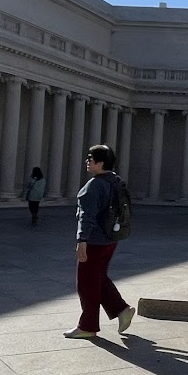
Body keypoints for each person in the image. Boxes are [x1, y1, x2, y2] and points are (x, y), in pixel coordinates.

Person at [66, 144, 134, 340]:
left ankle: (87, 326)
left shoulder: (95, 184)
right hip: (110, 239)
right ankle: (122, 309)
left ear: (100, 162)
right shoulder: (115, 181)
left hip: (94, 240)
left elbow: (87, 216)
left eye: (91, 158)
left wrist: (82, 240)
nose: (87, 161)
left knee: (87, 283)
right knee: (98, 278)